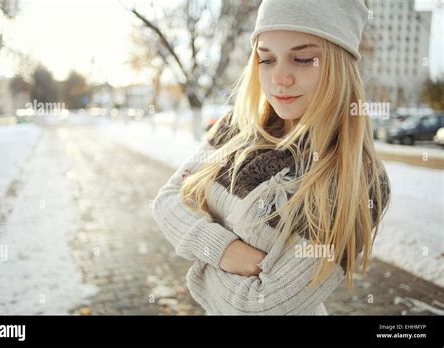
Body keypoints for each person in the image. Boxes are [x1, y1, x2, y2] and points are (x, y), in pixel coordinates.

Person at [152, 0, 391, 315]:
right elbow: (168, 201)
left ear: (339, 65)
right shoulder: (234, 128)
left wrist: (202, 262)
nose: (280, 78)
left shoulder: (354, 178)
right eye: (266, 59)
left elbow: (260, 307)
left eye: (303, 59)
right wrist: (224, 251)